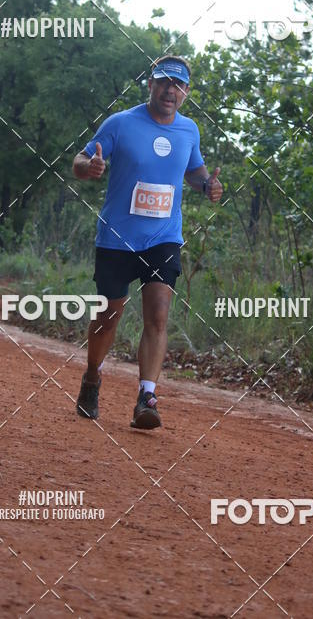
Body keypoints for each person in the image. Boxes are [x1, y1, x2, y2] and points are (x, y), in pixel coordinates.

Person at [71, 55, 223, 430]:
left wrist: (207, 184)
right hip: (117, 239)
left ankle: (147, 396)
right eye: (164, 82)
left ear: (186, 93)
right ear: (151, 84)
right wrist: (88, 167)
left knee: (158, 316)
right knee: (108, 317)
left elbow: (194, 170)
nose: (171, 90)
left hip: (164, 238)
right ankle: (92, 376)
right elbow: (79, 158)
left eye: (179, 85)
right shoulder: (120, 123)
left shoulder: (189, 131)